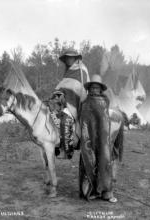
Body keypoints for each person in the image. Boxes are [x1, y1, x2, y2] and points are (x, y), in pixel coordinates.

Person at [79, 74, 117, 203]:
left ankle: (105, 191)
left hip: (102, 138)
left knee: (104, 161)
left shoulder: (105, 102)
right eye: (92, 87)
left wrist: (104, 137)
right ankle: (91, 191)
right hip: (88, 139)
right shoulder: (85, 103)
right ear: (89, 89)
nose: (94, 90)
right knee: (89, 162)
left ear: (100, 89)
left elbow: (105, 120)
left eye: (97, 88)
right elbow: (83, 121)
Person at [52, 49, 90, 159]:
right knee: (51, 113)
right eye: (66, 58)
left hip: (76, 103)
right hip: (64, 102)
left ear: (75, 58)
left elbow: (79, 89)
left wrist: (67, 98)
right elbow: (63, 87)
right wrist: (57, 94)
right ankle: (55, 144)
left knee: (65, 118)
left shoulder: (82, 70)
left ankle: (67, 151)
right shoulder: (68, 71)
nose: (68, 60)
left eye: (70, 57)